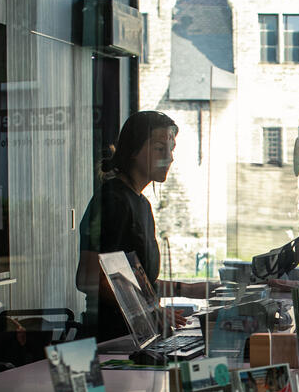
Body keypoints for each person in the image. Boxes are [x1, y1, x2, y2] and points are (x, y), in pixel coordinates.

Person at [76, 110, 208, 342]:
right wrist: (149, 309)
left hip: (139, 336)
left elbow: (137, 282)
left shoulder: (142, 204)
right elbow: (89, 277)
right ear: (134, 151)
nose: (169, 157)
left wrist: (187, 289)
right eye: (159, 148)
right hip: (112, 338)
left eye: (171, 149)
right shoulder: (113, 200)